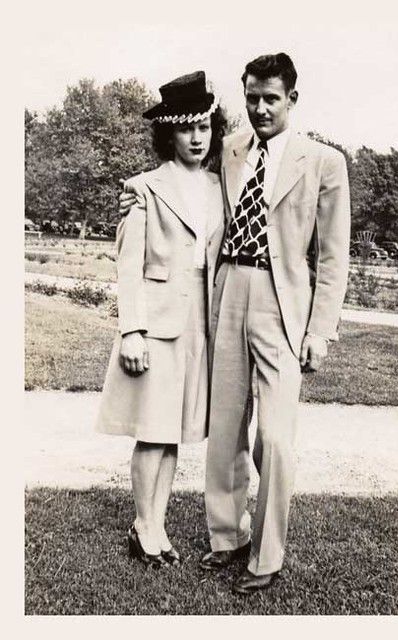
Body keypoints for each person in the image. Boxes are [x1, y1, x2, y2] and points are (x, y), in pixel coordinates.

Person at [120, 52, 350, 593]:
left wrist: (320, 330)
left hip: (282, 301)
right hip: (226, 291)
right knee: (225, 431)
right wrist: (135, 189)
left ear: (292, 100)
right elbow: (178, 174)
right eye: (252, 98)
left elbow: (334, 257)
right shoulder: (230, 149)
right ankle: (228, 538)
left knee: (274, 435)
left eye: (271, 98)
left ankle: (266, 557)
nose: (261, 108)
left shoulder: (324, 162)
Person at [96, 70, 226, 568]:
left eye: (205, 128)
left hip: (200, 324)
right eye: (186, 129)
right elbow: (127, 266)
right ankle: (144, 526)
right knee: (151, 429)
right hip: (155, 323)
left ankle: (154, 524)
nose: (197, 138)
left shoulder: (222, 186)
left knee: (172, 431)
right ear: (168, 134)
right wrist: (132, 329)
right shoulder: (144, 188)